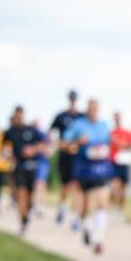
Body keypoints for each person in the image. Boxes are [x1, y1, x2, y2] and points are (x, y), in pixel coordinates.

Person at [62, 98, 114, 254]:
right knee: (84, 207)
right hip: (84, 168)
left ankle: (98, 238)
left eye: (95, 108)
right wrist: (78, 142)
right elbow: (65, 143)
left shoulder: (104, 125)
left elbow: (109, 142)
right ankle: (86, 227)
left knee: (102, 200)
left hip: (101, 167)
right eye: (90, 108)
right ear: (87, 110)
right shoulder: (78, 125)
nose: (93, 111)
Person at [2, 107, 46, 234]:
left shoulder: (31, 130)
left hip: (32, 167)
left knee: (31, 198)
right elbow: (3, 148)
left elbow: (44, 143)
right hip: (19, 167)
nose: (18, 119)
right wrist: (9, 156)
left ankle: (28, 212)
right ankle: (23, 221)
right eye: (16, 117)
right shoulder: (10, 132)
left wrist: (33, 150)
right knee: (21, 194)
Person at [50, 89, 83, 228]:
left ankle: (76, 217)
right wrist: (60, 145)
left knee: (76, 186)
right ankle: (62, 208)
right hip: (64, 156)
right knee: (65, 186)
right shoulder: (60, 116)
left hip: (78, 157)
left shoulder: (82, 117)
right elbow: (52, 134)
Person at [109, 111, 131, 215]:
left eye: (118, 117)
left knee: (123, 188)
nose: (117, 119)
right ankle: (113, 206)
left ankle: (120, 209)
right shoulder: (110, 133)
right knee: (115, 186)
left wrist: (126, 145)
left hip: (125, 162)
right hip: (114, 162)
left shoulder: (127, 132)